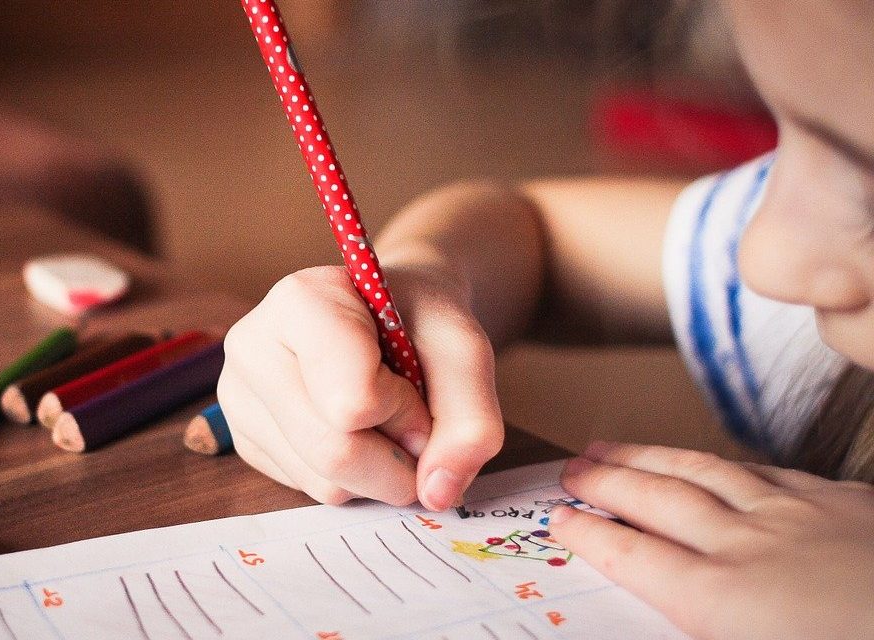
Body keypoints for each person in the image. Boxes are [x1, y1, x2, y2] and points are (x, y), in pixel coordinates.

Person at [216, 1, 874, 637]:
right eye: (781, 140)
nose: (760, 258)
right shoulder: (809, 266)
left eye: (867, 186)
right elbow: (536, 234)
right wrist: (429, 277)